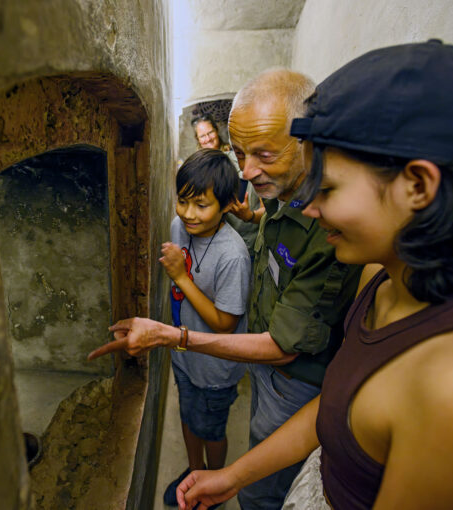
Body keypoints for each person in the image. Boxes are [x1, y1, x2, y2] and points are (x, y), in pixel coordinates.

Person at [176, 40, 453, 510]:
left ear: (417, 185)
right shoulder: (382, 273)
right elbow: (340, 398)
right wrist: (236, 475)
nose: (310, 208)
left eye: (328, 187)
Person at [89, 69, 362, 509]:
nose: (249, 171)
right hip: (246, 367)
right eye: (240, 154)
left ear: (309, 143)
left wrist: (171, 334)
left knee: (261, 489)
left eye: (264, 154)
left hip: (287, 378)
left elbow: (277, 344)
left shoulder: (322, 230)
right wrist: (257, 218)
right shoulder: (276, 190)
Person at [160, 148, 252, 507]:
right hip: (184, 354)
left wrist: (181, 278)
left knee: (212, 428)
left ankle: (213, 485)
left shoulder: (233, 255)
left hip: (215, 367)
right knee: (187, 413)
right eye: (183, 202)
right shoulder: (177, 226)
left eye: (201, 205)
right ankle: (192, 470)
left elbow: (225, 324)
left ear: (228, 205)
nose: (188, 214)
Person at [192, 114, 264, 255]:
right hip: (215, 246)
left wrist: (249, 215)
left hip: (248, 243)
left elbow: (266, 209)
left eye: (210, 132)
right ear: (197, 140)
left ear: (217, 131)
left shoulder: (240, 163)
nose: (207, 139)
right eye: (202, 136)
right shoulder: (196, 169)